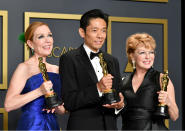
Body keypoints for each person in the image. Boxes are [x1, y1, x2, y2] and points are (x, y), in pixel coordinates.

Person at [59, 9, 124, 130]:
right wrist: (98, 88)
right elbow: (69, 101)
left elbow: (119, 96)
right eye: (94, 30)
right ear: (82, 32)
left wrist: (120, 105)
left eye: (103, 30)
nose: (100, 35)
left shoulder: (112, 60)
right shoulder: (69, 59)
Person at [4, 21, 65, 130]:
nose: (47, 40)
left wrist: (57, 105)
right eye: (41, 36)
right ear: (30, 43)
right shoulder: (24, 68)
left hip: (52, 126)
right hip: (31, 126)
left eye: (49, 35)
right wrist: (39, 91)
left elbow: (62, 111)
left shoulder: (57, 70)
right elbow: (9, 105)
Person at [121, 33, 179, 130]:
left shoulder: (162, 79)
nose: (148, 57)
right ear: (132, 56)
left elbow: (175, 116)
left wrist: (168, 102)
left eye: (151, 52)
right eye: (142, 53)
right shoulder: (123, 82)